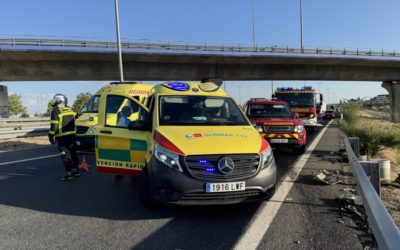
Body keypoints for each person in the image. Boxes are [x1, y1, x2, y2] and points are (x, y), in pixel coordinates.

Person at [48, 94, 80, 181]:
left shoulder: (55, 111)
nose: (53, 102)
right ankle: (76, 171)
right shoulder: (72, 109)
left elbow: (54, 126)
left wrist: (50, 136)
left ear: (58, 101)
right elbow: (78, 117)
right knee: (73, 153)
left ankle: (68, 173)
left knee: (65, 155)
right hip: (73, 136)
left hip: (62, 138)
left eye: (54, 100)